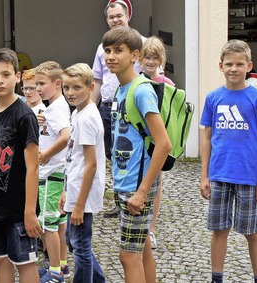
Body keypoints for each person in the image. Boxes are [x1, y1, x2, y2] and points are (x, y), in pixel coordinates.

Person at [200, 40, 257, 283]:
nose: (234, 68)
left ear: (249, 66)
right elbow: (207, 137)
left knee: (253, 232)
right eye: (229, 64)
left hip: (249, 177)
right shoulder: (213, 98)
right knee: (219, 230)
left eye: (239, 64)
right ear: (221, 66)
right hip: (220, 175)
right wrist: (204, 175)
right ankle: (217, 278)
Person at [105, 26, 171, 283]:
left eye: (118, 51)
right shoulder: (120, 90)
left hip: (137, 187)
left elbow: (163, 144)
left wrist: (143, 191)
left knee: (127, 256)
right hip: (126, 183)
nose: (111, 56)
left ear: (134, 55)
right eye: (108, 51)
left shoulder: (141, 89)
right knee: (141, 250)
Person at [0, 48, 42, 283]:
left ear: (18, 76)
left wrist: (29, 211)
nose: (0, 80)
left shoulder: (24, 116)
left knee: (25, 262)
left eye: (5, 74)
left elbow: (33, 167)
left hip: (18, 207)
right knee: (0, 259)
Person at [92, 0, 144, 218]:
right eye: (111, 17)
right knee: (112, 154)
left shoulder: (141, 43)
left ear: (128, 16)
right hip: (107, 107)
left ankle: (139, 194)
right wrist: (91, 108)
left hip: (130, 108)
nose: (115, 20)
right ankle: (119, 199)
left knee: (131, 151)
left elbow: (153, 72)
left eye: (119, 16)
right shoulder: (101, 46)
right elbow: (97, 80)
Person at [59, 63, 106, 283]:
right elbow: (73, 159)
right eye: (66, 87)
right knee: (75, 241)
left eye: (76, 87)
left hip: (83, 194)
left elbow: (91, 164)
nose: (70, 93)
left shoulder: (87, 118)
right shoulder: (79, 113)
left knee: (81, 247)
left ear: (89, 88)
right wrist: (66, 191)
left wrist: (79, 204)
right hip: (75, 189)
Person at [33, 61, 70, 282]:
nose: (38, 88)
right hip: (53, 172)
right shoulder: (53, 107)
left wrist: (46, 155)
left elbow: (65, 136)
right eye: (36, 83)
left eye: (42, 84)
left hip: (51, 172)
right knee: (58, 223)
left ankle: (55, 272)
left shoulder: (57, 108)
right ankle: (62, 265)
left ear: (57, 84)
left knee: (48, 223)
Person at [139, 36, 175, 250]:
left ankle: (151, 228)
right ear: (140, 58)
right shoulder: (136, 80)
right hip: (140, 140)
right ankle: (141, 225)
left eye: (155, 58)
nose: (151, 62)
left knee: (156, 183)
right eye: (147, 57)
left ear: (161, 60)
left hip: (157, 142)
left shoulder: (167, 85)